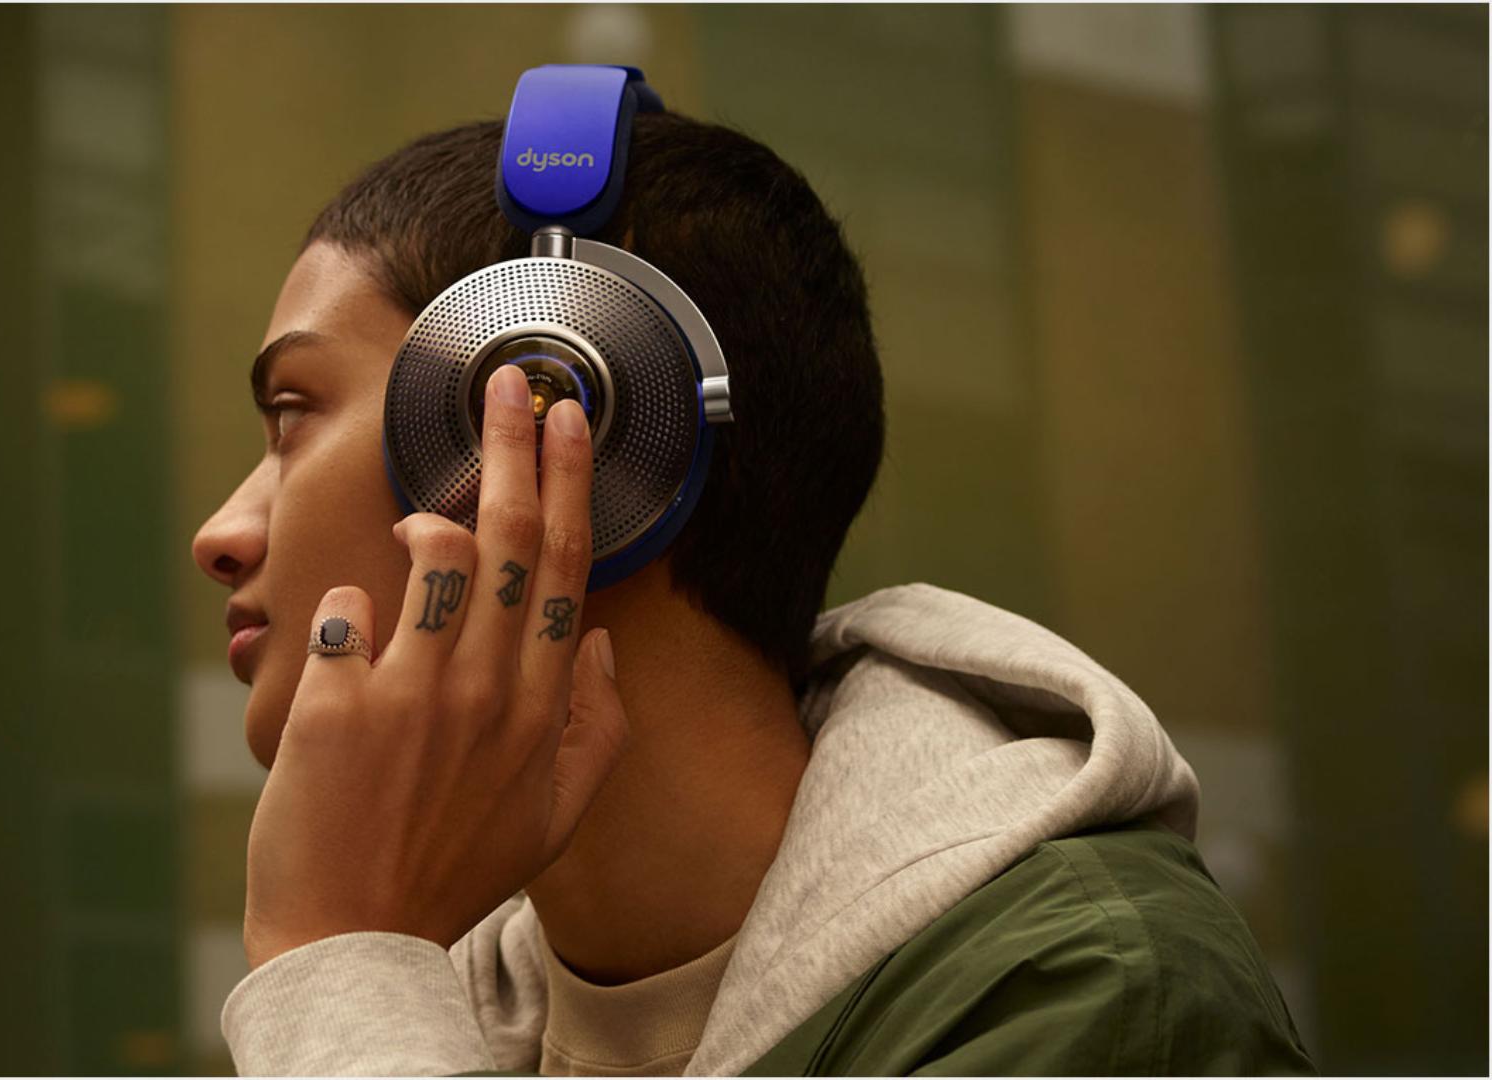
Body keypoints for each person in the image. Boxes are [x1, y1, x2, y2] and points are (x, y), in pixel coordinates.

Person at [192, 110, 1316, 1076]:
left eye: (293, 415)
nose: (221, 536)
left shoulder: (1092, 1003)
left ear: (568, 424)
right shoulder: (446, 996)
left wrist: (336, 970)